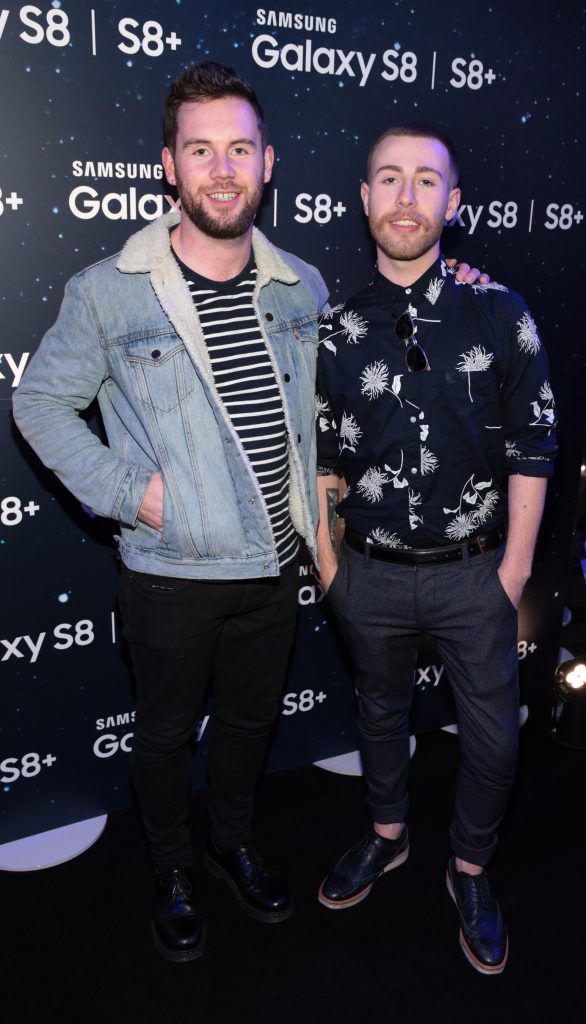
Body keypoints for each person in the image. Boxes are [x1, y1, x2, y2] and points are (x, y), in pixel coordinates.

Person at [13, 62, 485, 964]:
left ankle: (230, 845)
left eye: (239, 149)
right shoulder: (110, 290)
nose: (221, 169)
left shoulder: (301, 285)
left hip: (278, 570)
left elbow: (342, 398)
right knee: (161, 736)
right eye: (201, 150)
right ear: (170, 166)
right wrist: (132, 494)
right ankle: (172, 871)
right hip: (170, 573)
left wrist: (452, 282)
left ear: (268, 163)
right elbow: (37, 405)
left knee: (245, 727)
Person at [315, 124, 557, 975]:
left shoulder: (502, 312)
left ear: (453, 205)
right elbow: (324, 456)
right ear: (366, 199)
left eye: (426, 181)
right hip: (369, 576)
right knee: (379, 714)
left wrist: (514, 572)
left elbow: (535, 444)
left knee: (494, 741)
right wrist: (330, 564)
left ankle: (471, 867)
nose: (406, 196)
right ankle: (387, 836)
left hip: (475, 578)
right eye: (389, 178)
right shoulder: (336, 328)